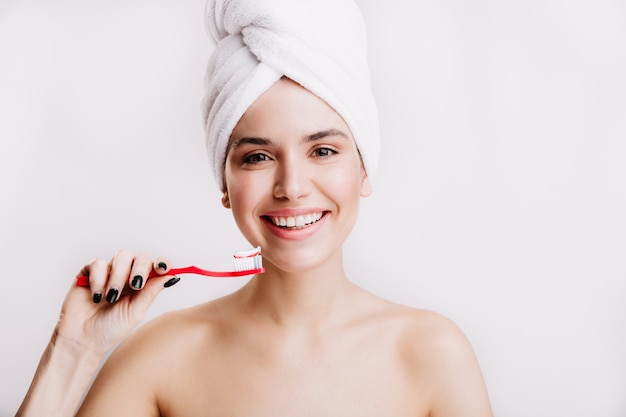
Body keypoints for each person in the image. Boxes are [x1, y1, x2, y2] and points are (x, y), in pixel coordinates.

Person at [16, 0, 493, 415]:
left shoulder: (432, 353)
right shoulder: (162, 358)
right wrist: (73, 350)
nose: (292, 187)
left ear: (365, 168)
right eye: (258, 157)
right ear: (224, 183)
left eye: (323, 151)